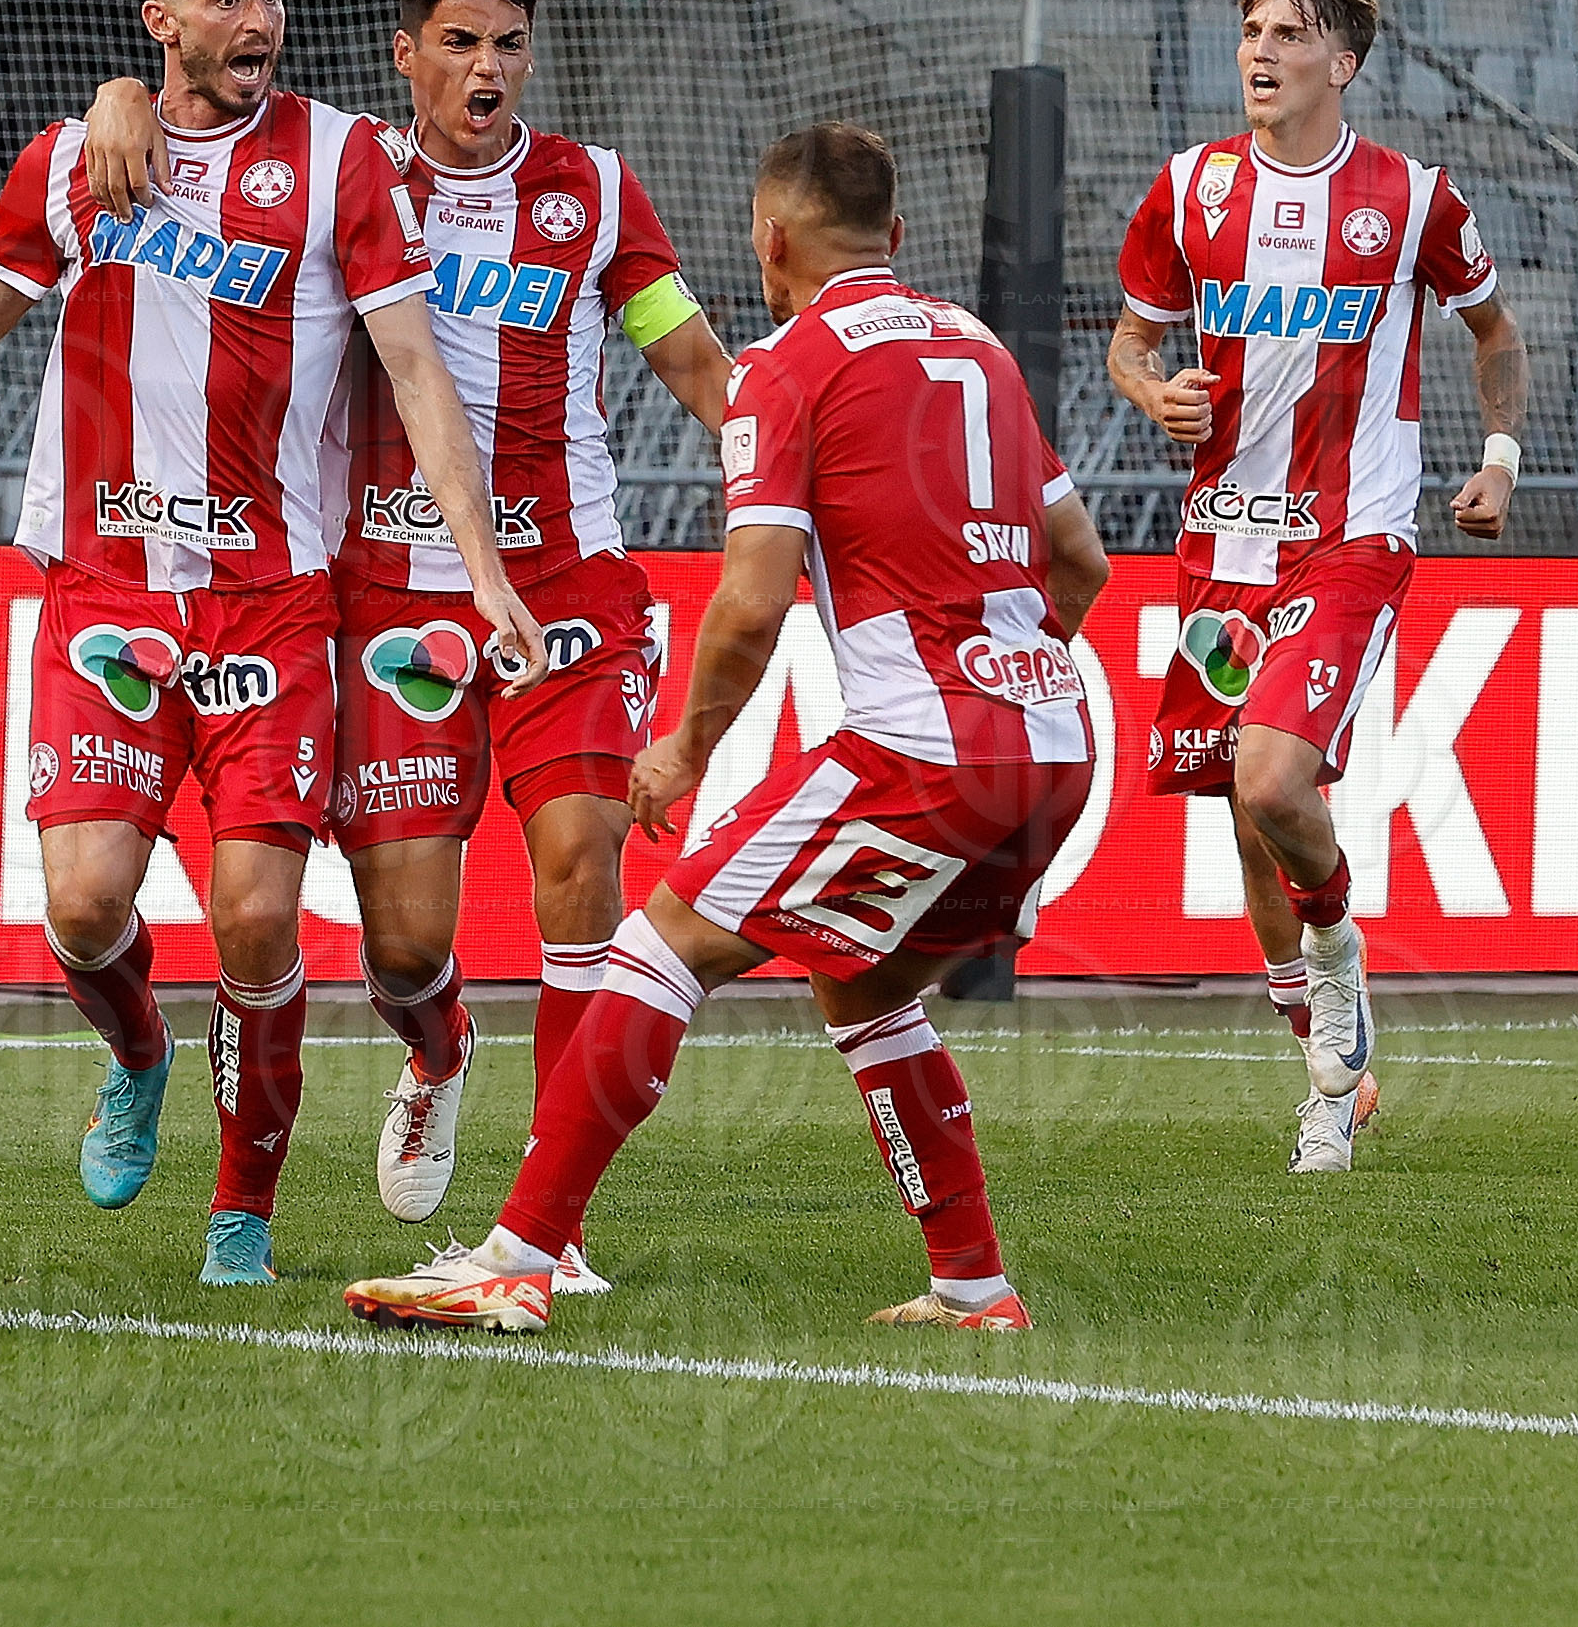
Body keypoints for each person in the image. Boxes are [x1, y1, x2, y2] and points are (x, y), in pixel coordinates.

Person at [0, 0, 545, 1285]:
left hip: (271, 605)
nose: (260, 21)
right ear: (160, 21)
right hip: (107, 597)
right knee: (88, 907)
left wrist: (487, 570)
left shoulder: (338, 160)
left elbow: (414, 372)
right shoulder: (74, 161)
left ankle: (241, 1215)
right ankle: (143, 1051)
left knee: (258, 920)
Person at [340, 121, 1109, 1334]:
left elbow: (751, 603)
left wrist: (684, 748)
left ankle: (519, 1257)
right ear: (897, 234)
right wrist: (1008, 673)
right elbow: (1082, 560)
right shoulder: (979, 346)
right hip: (1055, 744)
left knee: (658, 948)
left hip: (923, 745)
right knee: (862, 983)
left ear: (770, 240)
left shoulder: (786, 368)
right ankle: (973, 1284)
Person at [85, 0, 731, 1293]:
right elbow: (205, 128)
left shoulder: (596, 193)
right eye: (460, 42)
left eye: (509, 44)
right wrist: (121, 94)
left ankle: (550, 1224)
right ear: (406, 54)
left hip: (564, 586)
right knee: (406, 945)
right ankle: (438, 1051)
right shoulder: (351, 174)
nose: (487, 68)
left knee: (580, 862)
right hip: (387, 598)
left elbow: (686, 352)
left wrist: (790, 478)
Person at [1111, 0, 1527, 1174]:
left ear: (1341, 63)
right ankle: (1331, 1079)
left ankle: (1338, 959)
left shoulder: (1412, 198)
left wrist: (1500, 457)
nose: (1262, 52)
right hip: (1220, 546)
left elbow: (1494, 330)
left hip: (1353, 535)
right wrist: (1151, 392)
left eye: (1289, 35)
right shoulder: (1189, 188)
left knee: (1274, 779)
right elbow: (1132, 343)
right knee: (1251, 818)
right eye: (1252, 31)